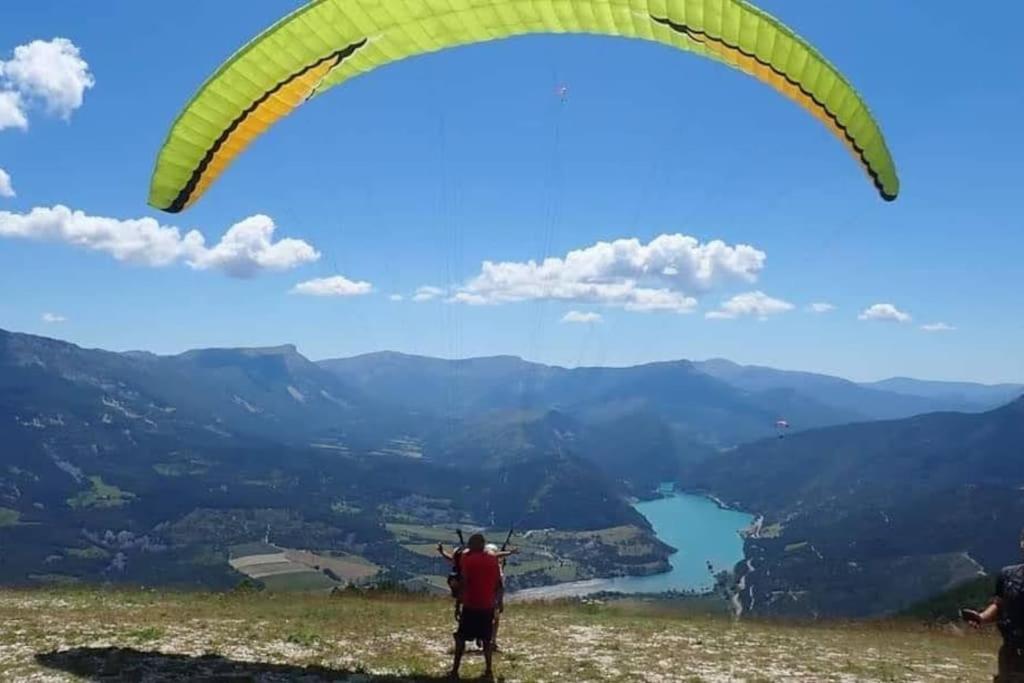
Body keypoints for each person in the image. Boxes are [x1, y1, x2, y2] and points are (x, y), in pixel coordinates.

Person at [961, 527, 1024, 682]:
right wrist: (981, 617)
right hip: (1011, 650)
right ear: (1022, 543)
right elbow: (1000, 605)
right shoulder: (1008, 575)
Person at [450, 533, 501, 680]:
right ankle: (489, 669)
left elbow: (464, 583)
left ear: (473, 545)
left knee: (461, 638)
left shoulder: (468, 559)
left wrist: (458, 604)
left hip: (471, 604)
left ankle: (455, 670)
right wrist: (497, 602)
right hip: (488, 606)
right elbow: (498, 583)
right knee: (486, 639)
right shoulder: (493, 559)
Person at [484, 542, 517, 652]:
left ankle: (484, 638)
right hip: (493, 599)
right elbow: (500, 587)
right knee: (495, 619)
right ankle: (492, 640)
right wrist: (500, 601)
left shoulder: (481, 565)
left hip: (481, 597)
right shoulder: (498, 570)